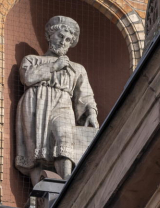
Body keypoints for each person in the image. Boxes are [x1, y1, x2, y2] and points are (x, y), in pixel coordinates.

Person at [14, 16, 98, 180]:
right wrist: (54, 66)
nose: (63, 42)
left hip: (62, 104)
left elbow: (85, 94)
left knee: (64, 135)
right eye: (60, 36)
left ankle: (67, 180)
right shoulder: (32, 59)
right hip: (35, 103)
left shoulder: (77, 68)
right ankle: (37, 190)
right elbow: (28, 77)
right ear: (49, 35)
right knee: (36, 148)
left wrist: (91, 112)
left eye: (67, 39)